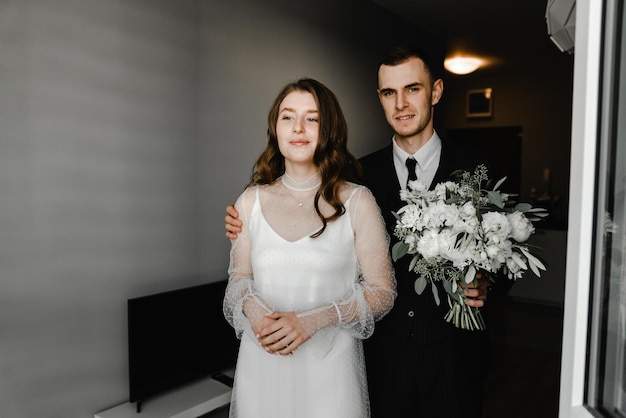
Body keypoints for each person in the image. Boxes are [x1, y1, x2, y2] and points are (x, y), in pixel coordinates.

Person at [225, 46, 493, 417]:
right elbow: (244, 275)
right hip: (380, 357)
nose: (400, 103)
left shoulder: (475, 170)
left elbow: (501, 244)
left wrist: (485, 281)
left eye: (412, 89)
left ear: (435, 92)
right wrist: (247, 225)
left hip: (447, 351)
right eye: (388, 92)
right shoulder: (361, 173)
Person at [223, 78, 396, 418]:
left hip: (330, 372)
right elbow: (238, 280)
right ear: (275, 127)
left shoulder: (358, 201)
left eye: (312, 118)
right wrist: (260, 317)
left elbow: (382, 291)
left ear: (328, 128)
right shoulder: (249, 201)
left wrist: (313, 320)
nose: (298, 127)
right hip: (263, 364)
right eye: (288, 117)